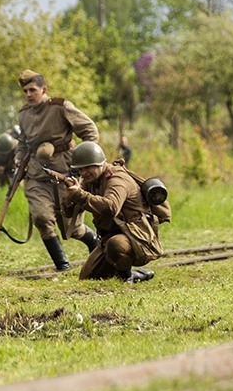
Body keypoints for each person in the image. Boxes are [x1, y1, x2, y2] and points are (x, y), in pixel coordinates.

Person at [14, 70, 100, 272]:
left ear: (43, 89)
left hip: (65, 174)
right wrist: (18, 157)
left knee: (73, 228)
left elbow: (90, 131)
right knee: (41, 217)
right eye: (25, 91)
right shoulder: (23, 114)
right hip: (37, 175)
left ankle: (97, 247)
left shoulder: (61, 107)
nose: (28, 94)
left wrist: (82, 163)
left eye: (32, 90)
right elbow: (23, 142)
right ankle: (62, 266)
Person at [57, 141, 163, 283]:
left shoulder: (116, 179)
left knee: (116, 246)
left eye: (88, 167)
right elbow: (68, 213)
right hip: (110, 238)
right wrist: (70, 193)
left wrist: (80, 195)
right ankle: (135, 274)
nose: (84, 173)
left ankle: (126, 277)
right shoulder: (90, 181)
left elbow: (110, 208)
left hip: (136, 236)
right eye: (80, 169)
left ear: (100, 163)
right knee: (88, 277)